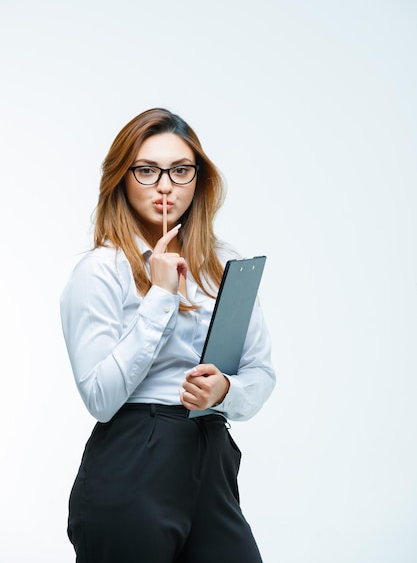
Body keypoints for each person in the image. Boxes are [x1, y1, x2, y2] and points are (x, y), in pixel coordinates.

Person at [60, 107, 276, 563]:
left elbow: (260, 371)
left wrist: (224, 390)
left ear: (198, 179)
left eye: (180, 170)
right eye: (147, 170)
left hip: (210, 458)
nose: (164, 185)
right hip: (134, 458)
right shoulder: (100, 271)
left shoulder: (222, 263)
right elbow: (100, 398)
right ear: (122, 177)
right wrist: (160, 295)